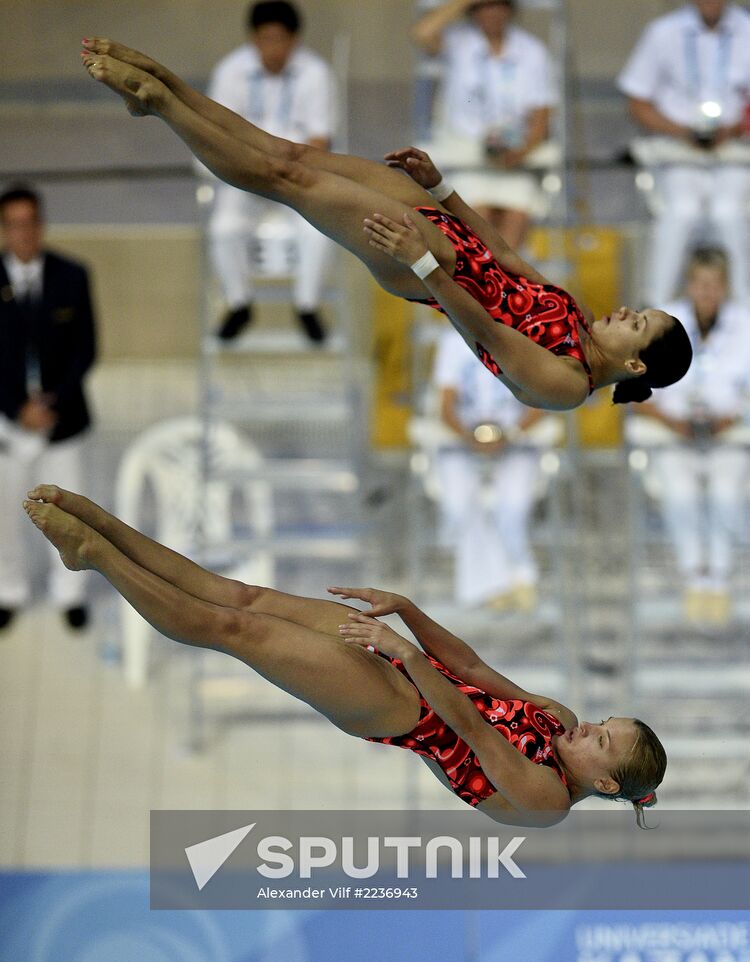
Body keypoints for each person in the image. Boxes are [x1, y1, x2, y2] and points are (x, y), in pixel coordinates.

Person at [79, 39, 693, 412]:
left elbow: (482, 328)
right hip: (451, 238)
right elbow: (504, 254)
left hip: (432, 270)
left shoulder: (564, 385)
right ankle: (166, 85)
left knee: (282, 181)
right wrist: (441, 187)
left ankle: (160, 107)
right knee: (292, 155)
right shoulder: (580, 318)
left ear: (635, 365)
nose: (624, 312)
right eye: (636, 309)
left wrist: (420, 261)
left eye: (635, 323)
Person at [22, 483, 666, 828]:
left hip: (397, 711)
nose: (590, 727)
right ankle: (100, 523)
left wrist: (403, 655)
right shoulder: (555, 718)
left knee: (232, 629)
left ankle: (96, 557)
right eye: (606, 722)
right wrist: (407, 611)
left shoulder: (547, 799)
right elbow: (471, 671)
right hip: (415, 669)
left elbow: (469, 726)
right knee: (242, 596)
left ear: (604, 783)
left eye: (602, 742)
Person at [628, 247, 750, 626]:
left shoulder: (745, 322)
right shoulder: (661, 322)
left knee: (725, 494)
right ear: (689, 284)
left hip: (729, 430)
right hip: (672, 428)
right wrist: (671, 421)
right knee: (680, 493)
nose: (707, 291)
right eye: (700, 283)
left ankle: (718, 577)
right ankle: (694, 577)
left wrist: (730, 418)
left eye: (714, 284)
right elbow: (634, 385)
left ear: (726, 286)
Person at [207, 1, 337, 343]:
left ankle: (307, 304)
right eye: (266, 39)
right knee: (223, 228)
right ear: (253, 38)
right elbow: (218, 134)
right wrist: (249, 166)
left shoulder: (315, 72)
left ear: (294, 40)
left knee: (320, 230)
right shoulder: (230, 71)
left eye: (281, 39)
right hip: (246, 175)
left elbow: (320, 138)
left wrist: (290, 167)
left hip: (297, 174)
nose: (273, 48)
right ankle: (239, 303)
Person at [0, 187, 97, 631]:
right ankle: (10, 589)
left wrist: (51, 399)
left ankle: (69, 593)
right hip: (7, 423)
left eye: (31, 222)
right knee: (5, 514)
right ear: (4, 229)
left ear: (41, 224)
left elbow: (86, 349)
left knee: (68, 512)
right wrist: (17, 408)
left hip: (61, 421)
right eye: (14, 224)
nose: (24, 233)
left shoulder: (71, 276)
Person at [618, 0, 750, 305]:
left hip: (734, 149)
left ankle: (744, 311)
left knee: (729, 213)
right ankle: (658, 307)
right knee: (680, 212)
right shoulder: (663, 32)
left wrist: (731, 130)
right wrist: (682, 131)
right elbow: (637, 101)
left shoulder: (746, 28)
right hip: (679, 149)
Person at [412, 0, 557, 249]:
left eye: (497, 5)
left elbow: (542, 112)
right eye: (484, 6)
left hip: (515, 155)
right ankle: (481, 284)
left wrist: (522, 150)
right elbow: (421, 33)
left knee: (515, 222)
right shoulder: (459, 43)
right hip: (466, 155)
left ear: (509, 8)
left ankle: (504, 286)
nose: (492, 13)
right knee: (478, 224)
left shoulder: (532, 50)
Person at [432, 327, 546, 609]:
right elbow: (445, 406)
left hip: (516, 438)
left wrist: (510, 434)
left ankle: (518, 577)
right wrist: (467, 436)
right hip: (464, 439)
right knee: (460, 505)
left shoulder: (528, 336)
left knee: (511, 506)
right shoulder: (452, 342)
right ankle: (499, 583)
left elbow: (541, 402)